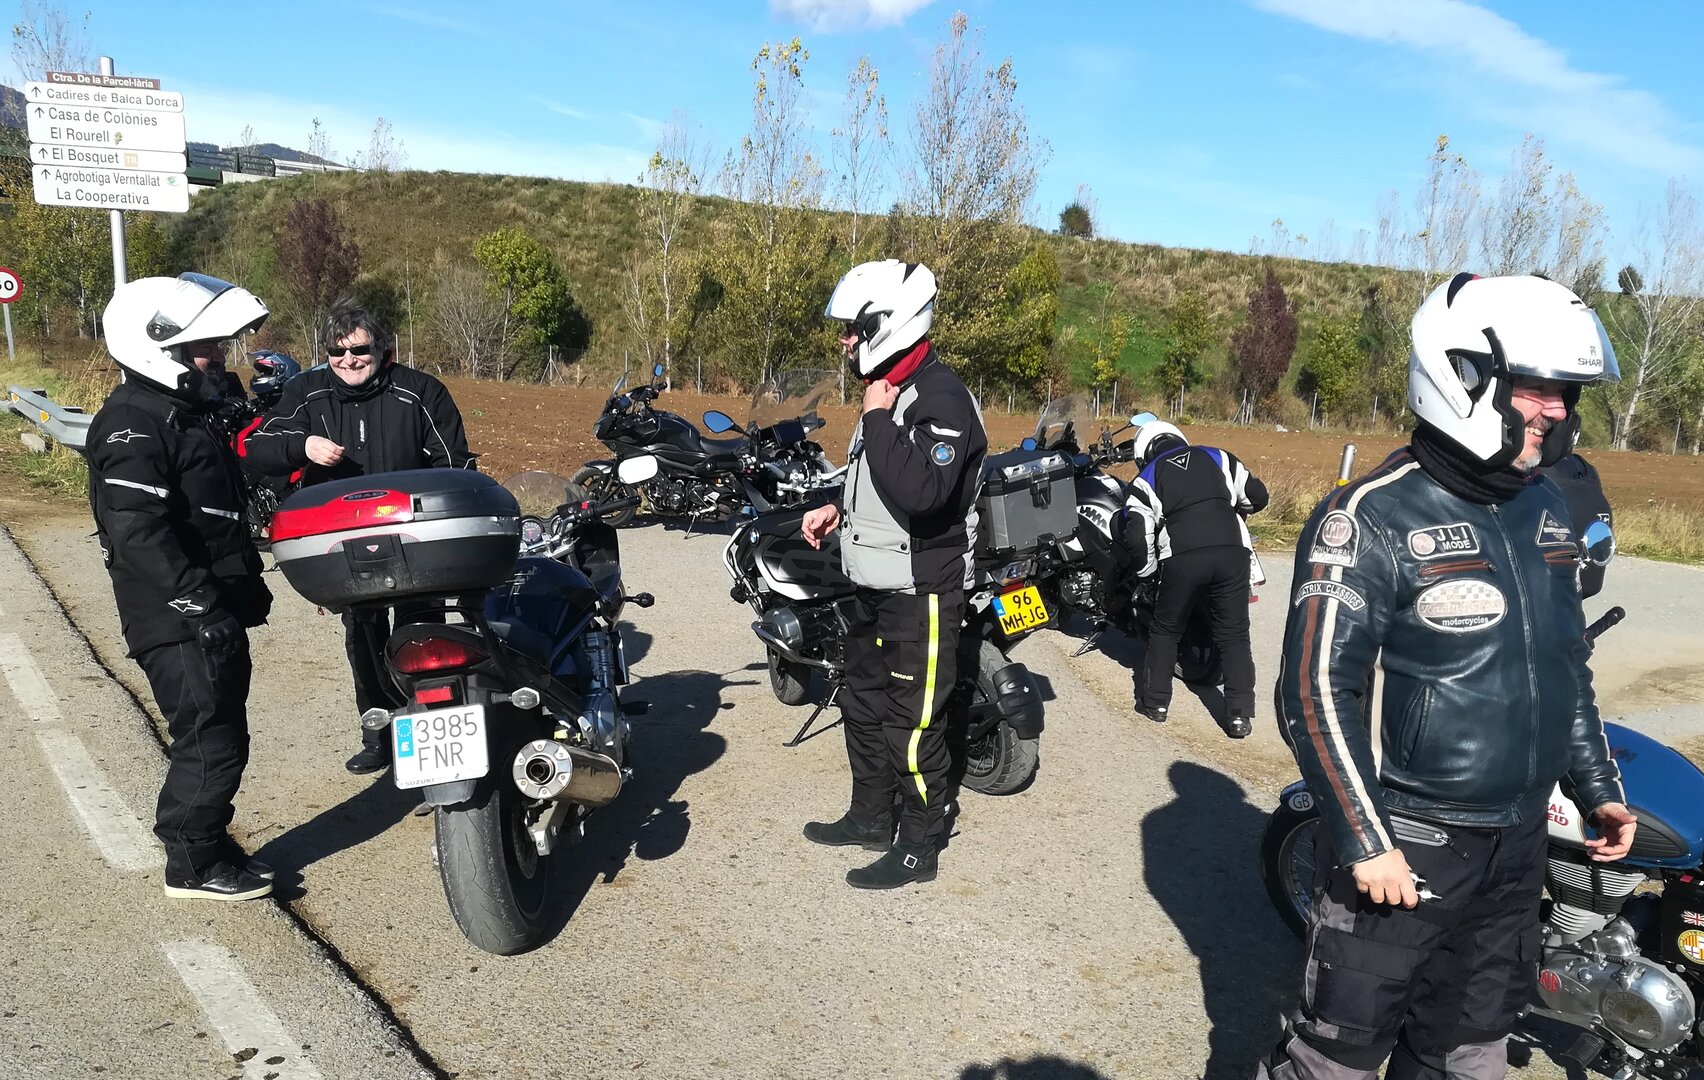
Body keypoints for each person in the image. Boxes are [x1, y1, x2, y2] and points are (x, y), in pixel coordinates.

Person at [1258, 273, 1638, 1080]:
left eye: (1567, 393)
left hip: (1519, 844)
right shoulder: (1367, 516)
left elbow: (1565, 664)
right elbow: (1314, 692)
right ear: (1459, 375)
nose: (1558, 410)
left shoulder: (1547, 508)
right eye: (1536, 387)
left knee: (1469, 1048)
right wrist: (1365, 841)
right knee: (1336, 1057)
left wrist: (1597, 785)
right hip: (1409, 843)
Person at [797, 259, 988, 890]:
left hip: (919, 591)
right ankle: (870, 818)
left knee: (912, 725)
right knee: (862, 706)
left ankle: (919, 847)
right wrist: (838, 507)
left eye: (854, 329)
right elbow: (881, 481)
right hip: (870, 584)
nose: (845, 341)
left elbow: (924, 492)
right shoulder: (889, 389)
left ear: (890, 323)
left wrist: (878, 419)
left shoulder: (940, 397)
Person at [87, 273, 276, 901]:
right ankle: (192, 863)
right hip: (175, 618)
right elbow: (136, 529)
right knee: (208, 739)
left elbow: (212, 510)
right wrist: (197, 603)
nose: (216, 358)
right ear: (157, 348)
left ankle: (208, 842)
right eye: (204, 347)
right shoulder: (132, 421)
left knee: (223, 731)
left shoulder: (179, 414)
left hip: (204, 610)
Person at [242, 300, 475, 776]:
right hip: (342, 540)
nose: (348, 360)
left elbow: (454, 464)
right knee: (363, 631)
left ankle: (431, 729)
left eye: (359, 350)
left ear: (382, 349)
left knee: (422, 629)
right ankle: (379, 731)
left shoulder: (421, 391)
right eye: (337, 351)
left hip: (413, 534)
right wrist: (301, 445)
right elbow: (258, 450)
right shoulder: (305, 393)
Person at [1120, 417, 1268, 737]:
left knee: (1166, 629)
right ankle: (1240, 716)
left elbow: (1136, 534)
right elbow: (1257, 496)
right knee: (1234, 635)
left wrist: (1147, 576)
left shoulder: (1146, 477)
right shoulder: (1218, 456)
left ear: (1144, 453)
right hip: (1233, 553)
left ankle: (1155, 704)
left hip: (1182, 557)